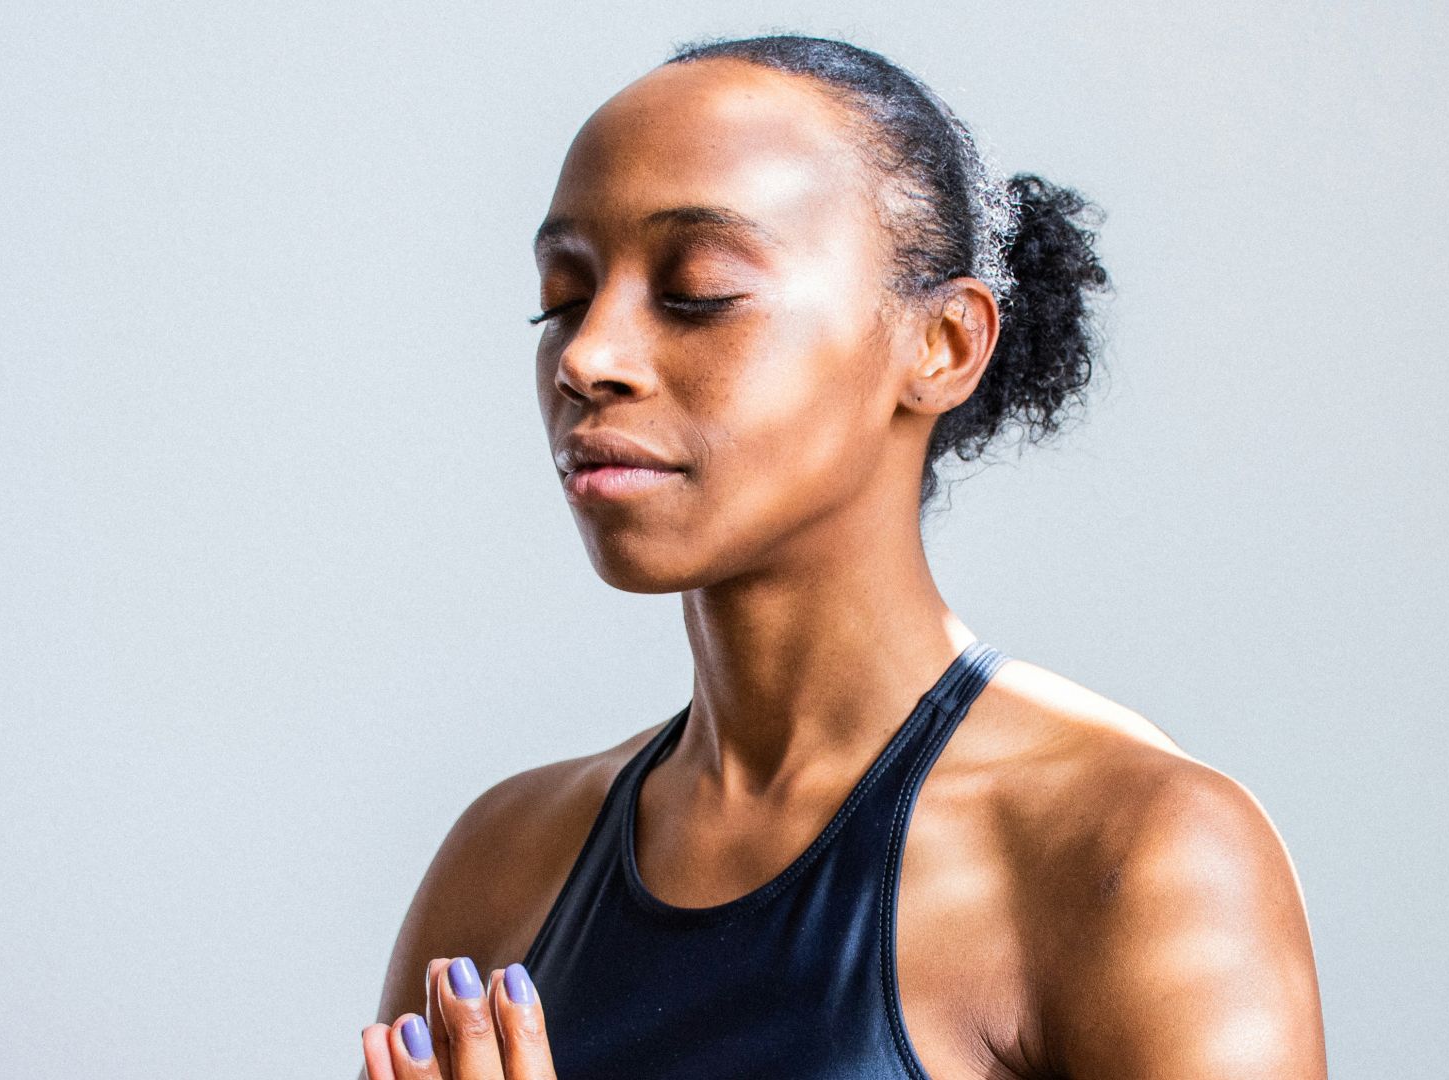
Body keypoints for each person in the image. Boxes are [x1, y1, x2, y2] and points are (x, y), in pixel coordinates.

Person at [358, 33, 1326, 1080]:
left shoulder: (1138, 856)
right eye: (563, 296)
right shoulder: (504, 865)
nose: (589, 357)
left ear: (942, 345)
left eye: (696, 291)